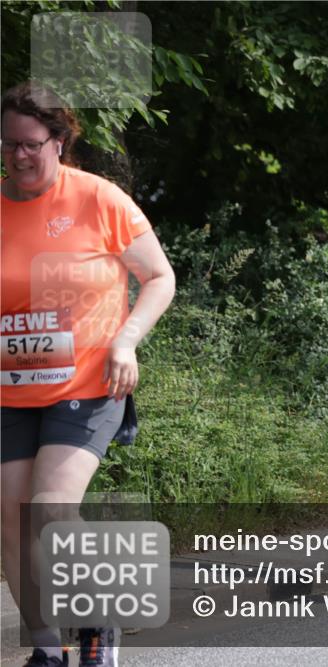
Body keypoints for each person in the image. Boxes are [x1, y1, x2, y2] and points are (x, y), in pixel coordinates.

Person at [1, 82, 175, 667]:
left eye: (30, 144)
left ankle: (97, 625)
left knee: (50, 508)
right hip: (11, 389)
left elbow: (159, 277)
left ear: (59, 140)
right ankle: (47, 649)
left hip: (89, 382)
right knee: (11, 517)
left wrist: (127, 340)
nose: (18, 156)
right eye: (8, 145)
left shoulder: (99, 199)